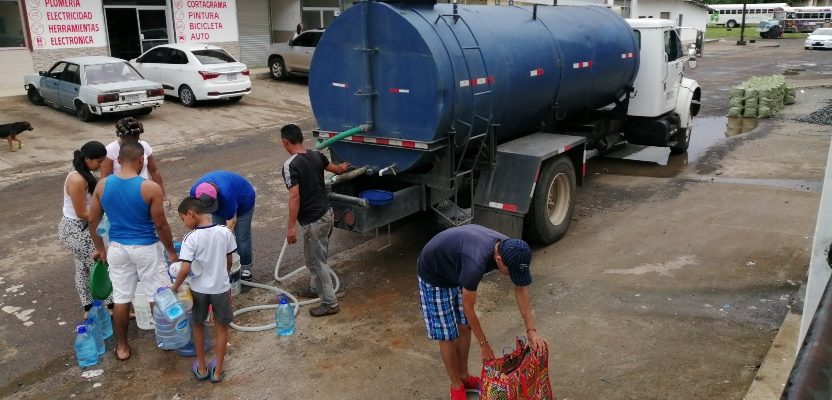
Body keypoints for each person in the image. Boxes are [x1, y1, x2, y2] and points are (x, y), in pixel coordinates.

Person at [417, 224, 547, 400]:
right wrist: (484, 344)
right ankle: (456, 385)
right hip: (435, 272)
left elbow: (521, 288)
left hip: (456, 264)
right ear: (499, 259)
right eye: (511, 272)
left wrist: (531, 330)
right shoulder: (475, 262)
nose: (512, 276)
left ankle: (464, 376)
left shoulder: (513, 249)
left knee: (465, 326)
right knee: (446, 333)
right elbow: (468, 307)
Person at [89, 141, 178, 361]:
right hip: (146, 247)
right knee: (157, 294)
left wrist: (100, 248)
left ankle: (122, 347)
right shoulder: (149, 187)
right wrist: (171, 251)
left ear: (118, 161)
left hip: (117, 248)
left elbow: (93, 220)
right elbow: (161, 224)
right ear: (142, 160)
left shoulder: (103, 185)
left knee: (121, 299)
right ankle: (165, 339)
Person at [280, 124, 349, 317]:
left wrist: (291, 226)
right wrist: (343, 168)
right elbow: (335, 169)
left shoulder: (290, 165)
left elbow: (295, 196)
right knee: (313, 258)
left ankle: (330, 302)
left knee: (317, 261)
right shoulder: (317, 155)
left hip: (314, 220)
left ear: (285, 142)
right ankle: (314, 287)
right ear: (301, 138)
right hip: (327, 214)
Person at [172, 197, 236, 383]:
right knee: (221, 327)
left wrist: (174, 287)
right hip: (221, 289)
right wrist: (223, 278)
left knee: (198, 325)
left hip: (198, 290)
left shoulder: (190, 238)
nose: (185, 224)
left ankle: (201, 367)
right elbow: (229, 261)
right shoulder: (224, 232)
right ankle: (218, 371)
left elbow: (184, 269)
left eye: (183, 219)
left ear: (191, 214)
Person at [58, 141, 109, 314]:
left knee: (82, 267)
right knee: (99, 265)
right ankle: (111, 305)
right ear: (87, 159)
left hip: (85, 226)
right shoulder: (77, 179)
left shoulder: (86, 174)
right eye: (99, 161)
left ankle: (89, 308)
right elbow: (81, 212)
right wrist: (106, 219)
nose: (101, 164)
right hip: (76, 229)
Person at [190, 171, 256, 282]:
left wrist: (224, 242)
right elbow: (194, 216)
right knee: (216, 235)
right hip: (222, 201)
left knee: (242, 236)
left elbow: (231, 223)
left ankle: (245, 268)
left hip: (245, 199)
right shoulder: (194, 192)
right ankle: (220, 266)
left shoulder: (226, 195)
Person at [100, 117, 167, 201]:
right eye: (130, 140)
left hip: (144, 192)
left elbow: (154, 171)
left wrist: (163, 195)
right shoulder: (110, 150)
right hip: (122, 196)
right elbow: (105, 178)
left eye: (137, 139)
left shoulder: (144, 146)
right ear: (121, 136)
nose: (134, 144)